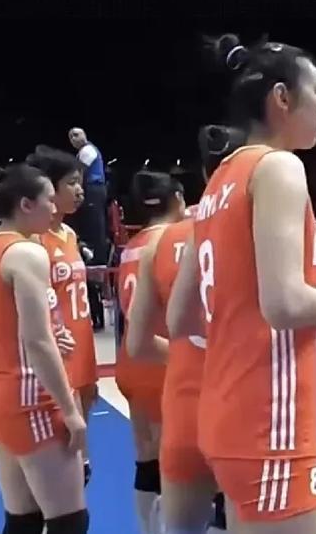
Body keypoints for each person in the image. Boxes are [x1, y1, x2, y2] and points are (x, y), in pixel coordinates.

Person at [165, 34, 316, 533]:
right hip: (270, 421)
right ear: (282, 98)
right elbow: (284, 305)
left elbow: (179, 317)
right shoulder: (278, 167)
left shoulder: (218, 181)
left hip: (224, 411)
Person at [129, 125, 244, 534]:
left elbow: (137, 343)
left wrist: (188, 353)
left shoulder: (155, 244)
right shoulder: (254, 233)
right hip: (241, 400)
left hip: (182, 399)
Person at [0, 163, 89, 533]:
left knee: (22, 521)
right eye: (49, 200)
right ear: (26, 204)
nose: (54, 208)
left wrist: (51, 333)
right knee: (69, 521)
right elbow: (37, 343)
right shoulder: (27, 253)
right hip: (31, 398)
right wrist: (70, 410)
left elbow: (6, 322)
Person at [117, 170, 190, 533]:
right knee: (178, 464)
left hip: (131, 360)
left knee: (146, 460)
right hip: (163, 359)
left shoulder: (131, 246)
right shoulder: (175, 242)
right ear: (176, 199)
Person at [26, 148, 98, 485]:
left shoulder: (69, 234)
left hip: (83, 347)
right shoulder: (33, 242)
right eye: (72, 183)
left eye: (80, 182)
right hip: (59, 352)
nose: (80, 190)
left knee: (81, 452)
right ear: (50, 189)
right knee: (64, 456)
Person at [69, 126, 109, 331]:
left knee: (95, 229)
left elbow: (79, 173)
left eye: (76, 134)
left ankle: (96, 260)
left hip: (94, 190)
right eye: (70, 136)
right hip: (91, 191)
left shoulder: (88, 151)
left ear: (85, 135)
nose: (73, 138)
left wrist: (76, 191)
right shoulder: (81, 153)